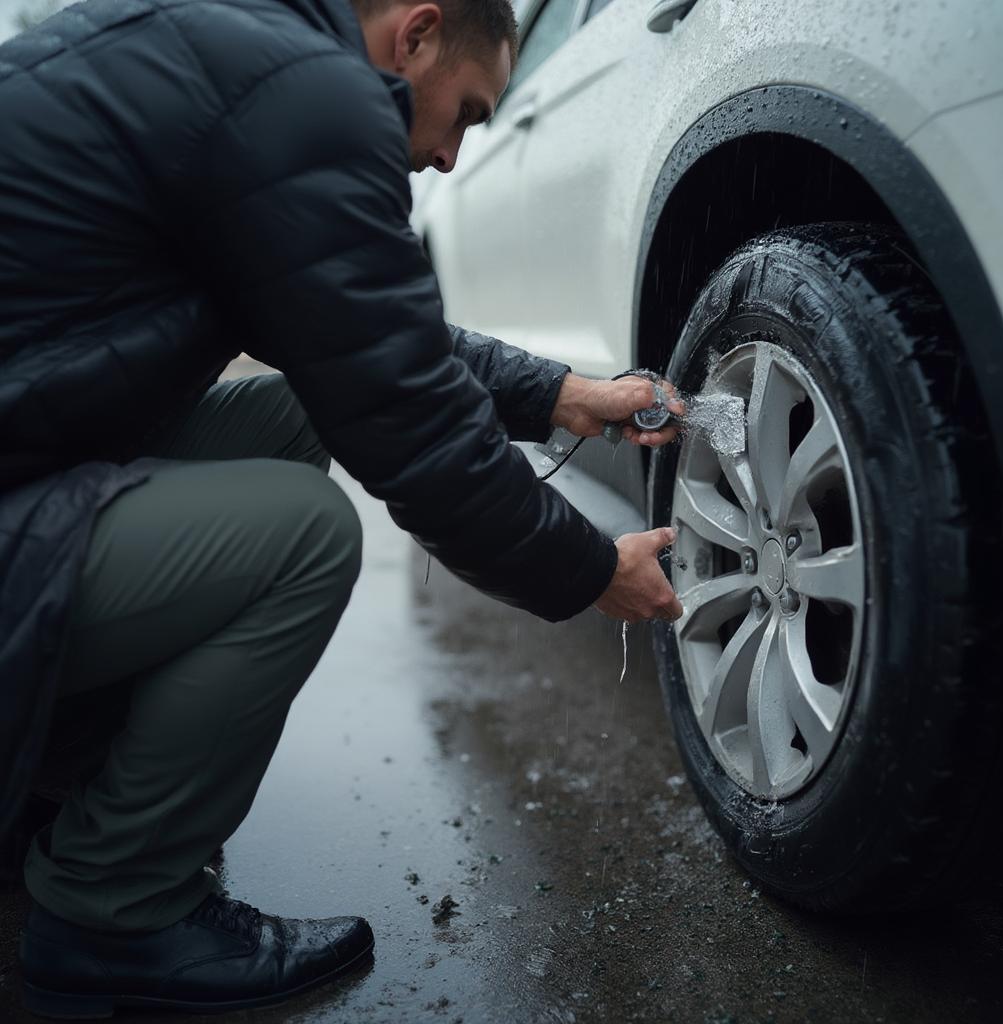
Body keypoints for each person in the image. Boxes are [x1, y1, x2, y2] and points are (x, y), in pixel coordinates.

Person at [0, 0, 683, 1016]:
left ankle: (59, 794)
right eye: (466, 112)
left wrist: (558, 394)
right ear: (415, 33)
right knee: (303, 536)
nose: (451, 156)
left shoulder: (242, 58)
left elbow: (359, 327)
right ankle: (113, 909)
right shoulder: (302, 96)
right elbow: (412, 430)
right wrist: (589, 571)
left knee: (288, 418)